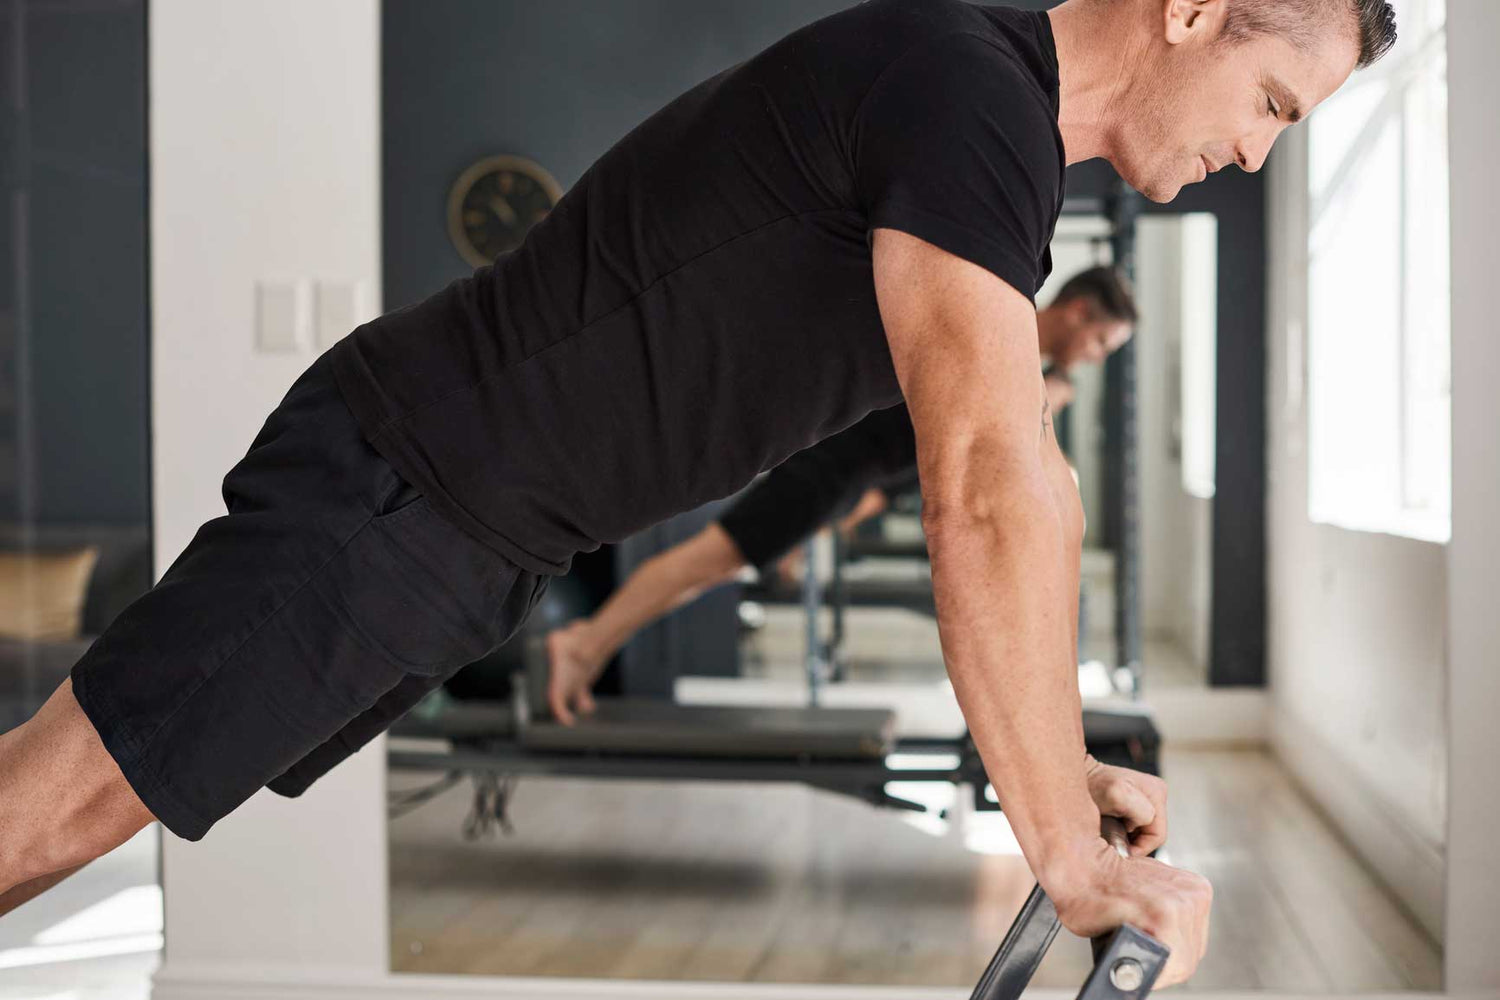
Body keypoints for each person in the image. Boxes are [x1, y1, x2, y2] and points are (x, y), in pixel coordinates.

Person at [0, 0, 1394, 983]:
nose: (1256, 154)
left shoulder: (991, 147)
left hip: (463, 529)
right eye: (1273, 105)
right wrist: (1065, 857)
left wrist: (1060, 760)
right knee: (67, 801)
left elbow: (1034, 472)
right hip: (406, 488)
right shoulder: (973, 101)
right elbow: (982, 484)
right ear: (1191, 9)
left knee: (96, 805)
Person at [546, 266, 1136, 724]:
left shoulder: (1026, 364)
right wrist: (1040, 403)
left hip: (847, 480)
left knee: (712, 567)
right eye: (1101, 343)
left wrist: (846, 515)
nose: (1096, 357)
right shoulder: (1003, 339)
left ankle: (590, 645)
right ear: (1079, 312)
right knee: (708, 561)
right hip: (831, 463)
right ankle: (584, 643)